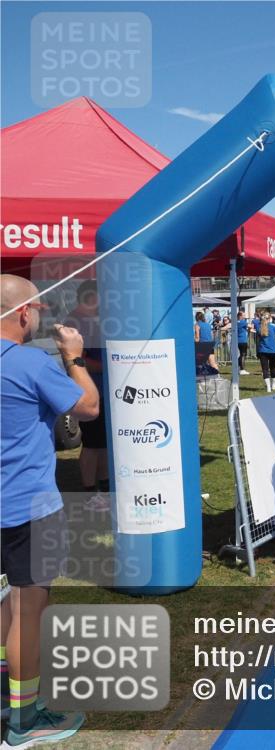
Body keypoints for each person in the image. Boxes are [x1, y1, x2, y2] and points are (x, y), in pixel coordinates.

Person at [2, 275, 99, 747]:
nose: (40, 315)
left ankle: (10, 691)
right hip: (29, 504)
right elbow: (89, 406)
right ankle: (24, 721)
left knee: (10, 601)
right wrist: (74, 356)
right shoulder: (31, 363)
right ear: (24, 314)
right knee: (30, 609)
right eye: (37, 308)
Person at [62, 280, 110, 512]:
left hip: (102, 391)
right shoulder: (74, 323)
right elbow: (77, 360)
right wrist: (109, 365)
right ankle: (91, 493)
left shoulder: (93, 321)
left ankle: (105, 490)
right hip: (90, 391)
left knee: (103, 444)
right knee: (92, 445)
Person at [254, 311, 275, 393]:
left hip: (263, 350)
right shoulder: (274, 327)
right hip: (273, 350)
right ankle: (273, 384)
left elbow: (258, 338)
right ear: (270, 318)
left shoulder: (258, 327)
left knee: (265, 369)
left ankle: (268, 387)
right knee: (273, 368)